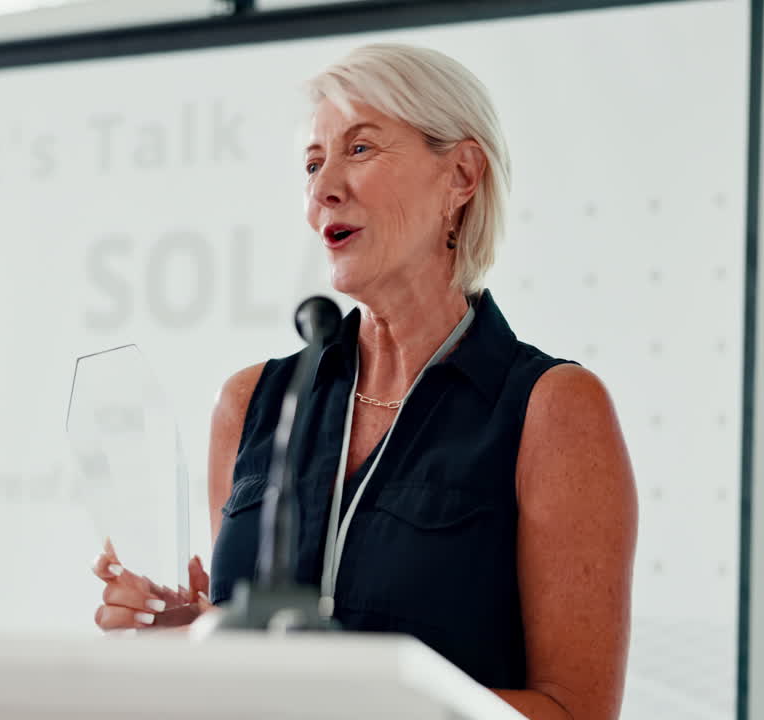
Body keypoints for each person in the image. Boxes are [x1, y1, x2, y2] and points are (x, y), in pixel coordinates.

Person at [91, 43, 637, 719]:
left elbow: (576, 711)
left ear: (461, 175)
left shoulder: (550, 410)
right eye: (313, 163)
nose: (323, 188)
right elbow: (259, 676)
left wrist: (362, 704)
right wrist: (196, 637)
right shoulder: (252, 404)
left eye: (359, 149)